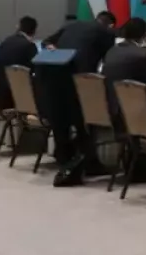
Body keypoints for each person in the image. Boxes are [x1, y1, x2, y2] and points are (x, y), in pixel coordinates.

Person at [41, 11, 119, 185]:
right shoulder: (107, 33)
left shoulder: (72, 25)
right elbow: (109, 61)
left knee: (61, 121)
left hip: (54, 74)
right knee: (84, 122)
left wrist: (52, 48)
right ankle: (88, 162)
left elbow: (46, 42)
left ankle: (65, 161)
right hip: (80, 80)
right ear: (111, 25)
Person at [101, 17, 146, 129]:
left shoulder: (112, 51)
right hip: (127, 111)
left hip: (108, 106)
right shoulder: (142, 55)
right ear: (144, 34)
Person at [0, 16, 39, 108]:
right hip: (17, 95)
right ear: (34, 31)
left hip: (0, 93)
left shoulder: (6, 41)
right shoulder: (29, 46)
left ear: (19, 27)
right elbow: (36, 69)